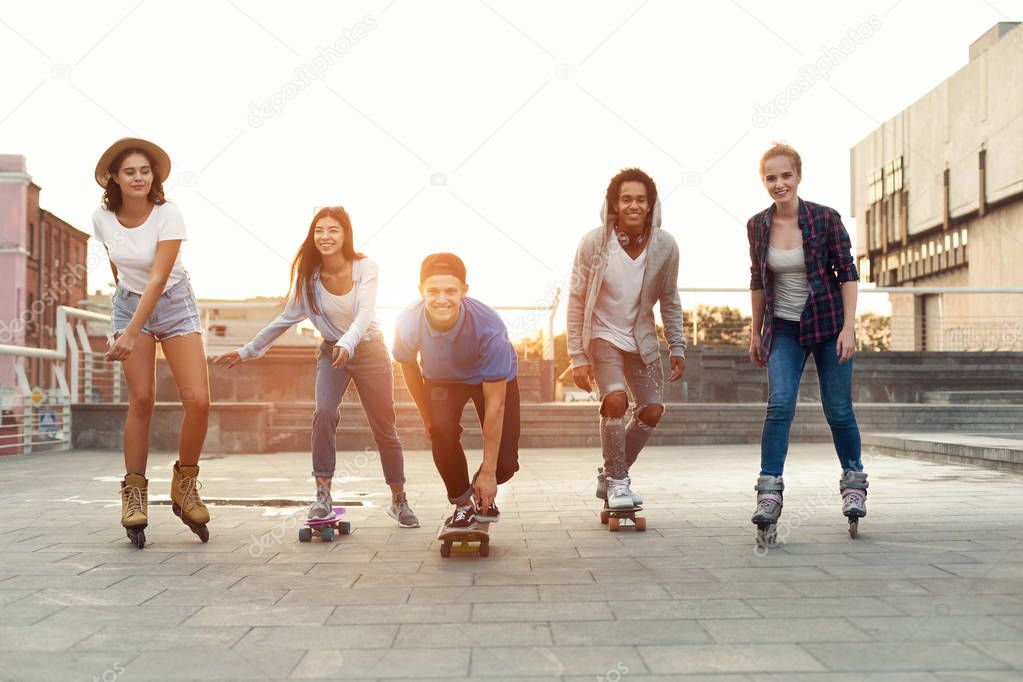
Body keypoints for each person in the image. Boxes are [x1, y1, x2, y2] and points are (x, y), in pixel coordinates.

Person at [216, 206, 419, 528]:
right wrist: (248, 350)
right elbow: (286, 318)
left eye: (333, 230)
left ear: (345, 235)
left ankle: (398, 498)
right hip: (331, 352)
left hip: (369, 352)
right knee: (324, 412)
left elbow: (365, 313)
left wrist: (348, 344)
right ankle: (323, 495)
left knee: (385, 428)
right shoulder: (309, 279)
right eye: (319, 231)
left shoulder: (366, 267)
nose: (325, 237)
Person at [747, 142, 868, 546]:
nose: (778, 184)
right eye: (770, 177)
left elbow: (847, 273)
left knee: (838, 409)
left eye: (785, 175)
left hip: (829, 322)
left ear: (798, 176)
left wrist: (849, 327)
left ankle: (853, 480)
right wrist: (755, 330)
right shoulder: (758, 225)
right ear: (763, 181)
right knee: (780, 403)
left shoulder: (826, 219)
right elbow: (760, 280)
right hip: (784, 327)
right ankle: (769, 491)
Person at [93, 138, 210, 548]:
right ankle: (134, 493)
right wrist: (127, 325)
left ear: (154, 176)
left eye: (145, 171)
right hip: (130, 306)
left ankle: (185, 484)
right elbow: (119, 266)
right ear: (115, 178)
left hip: (175, 303)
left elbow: (159, 279)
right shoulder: (102, 218)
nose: (139, 177)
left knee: (198, 400)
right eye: (130, 171)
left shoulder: (168, 214)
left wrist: (129, 333)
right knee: (142, 399)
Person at [567, 168, 686, 510]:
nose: (634, 205)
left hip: (642, 340)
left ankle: (611, 472)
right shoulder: (594, 243)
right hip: (602, 338)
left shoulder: (665, 246)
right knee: (616, 400)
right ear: (614, 205)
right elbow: (576, 299)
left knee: (651, 410)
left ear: (651, 206)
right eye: (626, 199)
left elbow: (670, 298)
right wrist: (577, 354)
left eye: (640, 199)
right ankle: (619, 483)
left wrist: (677, 344)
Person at [393, 253, 519, 536]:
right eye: (433, 291)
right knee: (440, 430)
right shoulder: (407, 321)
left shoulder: (490, 327)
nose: (442, 299)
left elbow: (496, 404)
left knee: (506, 464)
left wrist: (488, 472)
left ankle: (481, 486)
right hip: (442, 380)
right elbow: (408, 366)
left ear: (464, 291)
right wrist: (427, 418)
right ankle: (462, 503)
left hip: (489, 379)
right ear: (420, 292)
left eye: (450, 291)